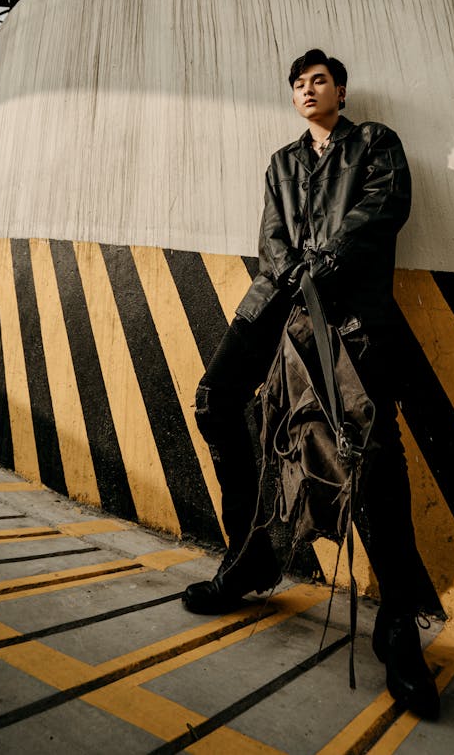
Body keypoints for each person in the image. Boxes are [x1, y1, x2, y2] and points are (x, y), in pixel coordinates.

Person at [183, 49, 440, 720]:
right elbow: (272, 241)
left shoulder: (376, 143)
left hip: (354, 312)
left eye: (318, 79)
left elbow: (384, 209)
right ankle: (250, 557)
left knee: (375, 450)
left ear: (341, 89)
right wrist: (284, 287)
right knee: (216, 402)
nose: (307, 89)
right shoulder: (281, 162)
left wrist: (324, 263)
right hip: (280, 302)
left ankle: (398, 624)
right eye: (297, 84)